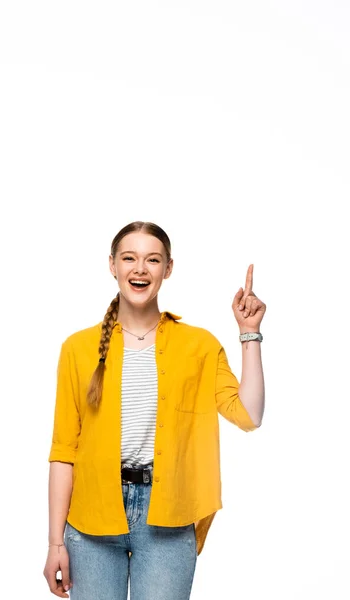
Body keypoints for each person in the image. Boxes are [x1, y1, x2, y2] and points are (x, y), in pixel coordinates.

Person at [43, 220, 266, 600]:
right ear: (112, 265)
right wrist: (54, 543)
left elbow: (249, 415)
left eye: (152, 259)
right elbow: (64, 451)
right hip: (92, 520)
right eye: (129, 258)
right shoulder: (77, 349)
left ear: (168, 268)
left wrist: (249, 333)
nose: (140, 269)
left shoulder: (198, 345)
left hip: (168, 519)